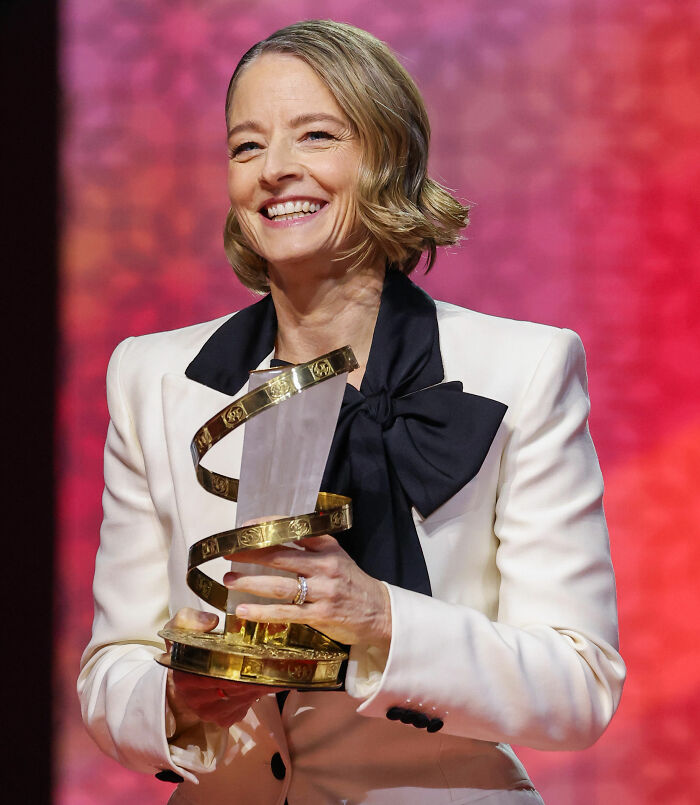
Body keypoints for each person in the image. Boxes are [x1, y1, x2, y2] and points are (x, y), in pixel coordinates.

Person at [78, 19, 626, 805]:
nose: (275, 170)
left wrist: (379, 617)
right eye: (246, 146)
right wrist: (173, 702)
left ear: (387, 159)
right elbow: (110, 667)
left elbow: (578, 685)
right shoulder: (151, 376)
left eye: (316, 135)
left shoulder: (526, 367)